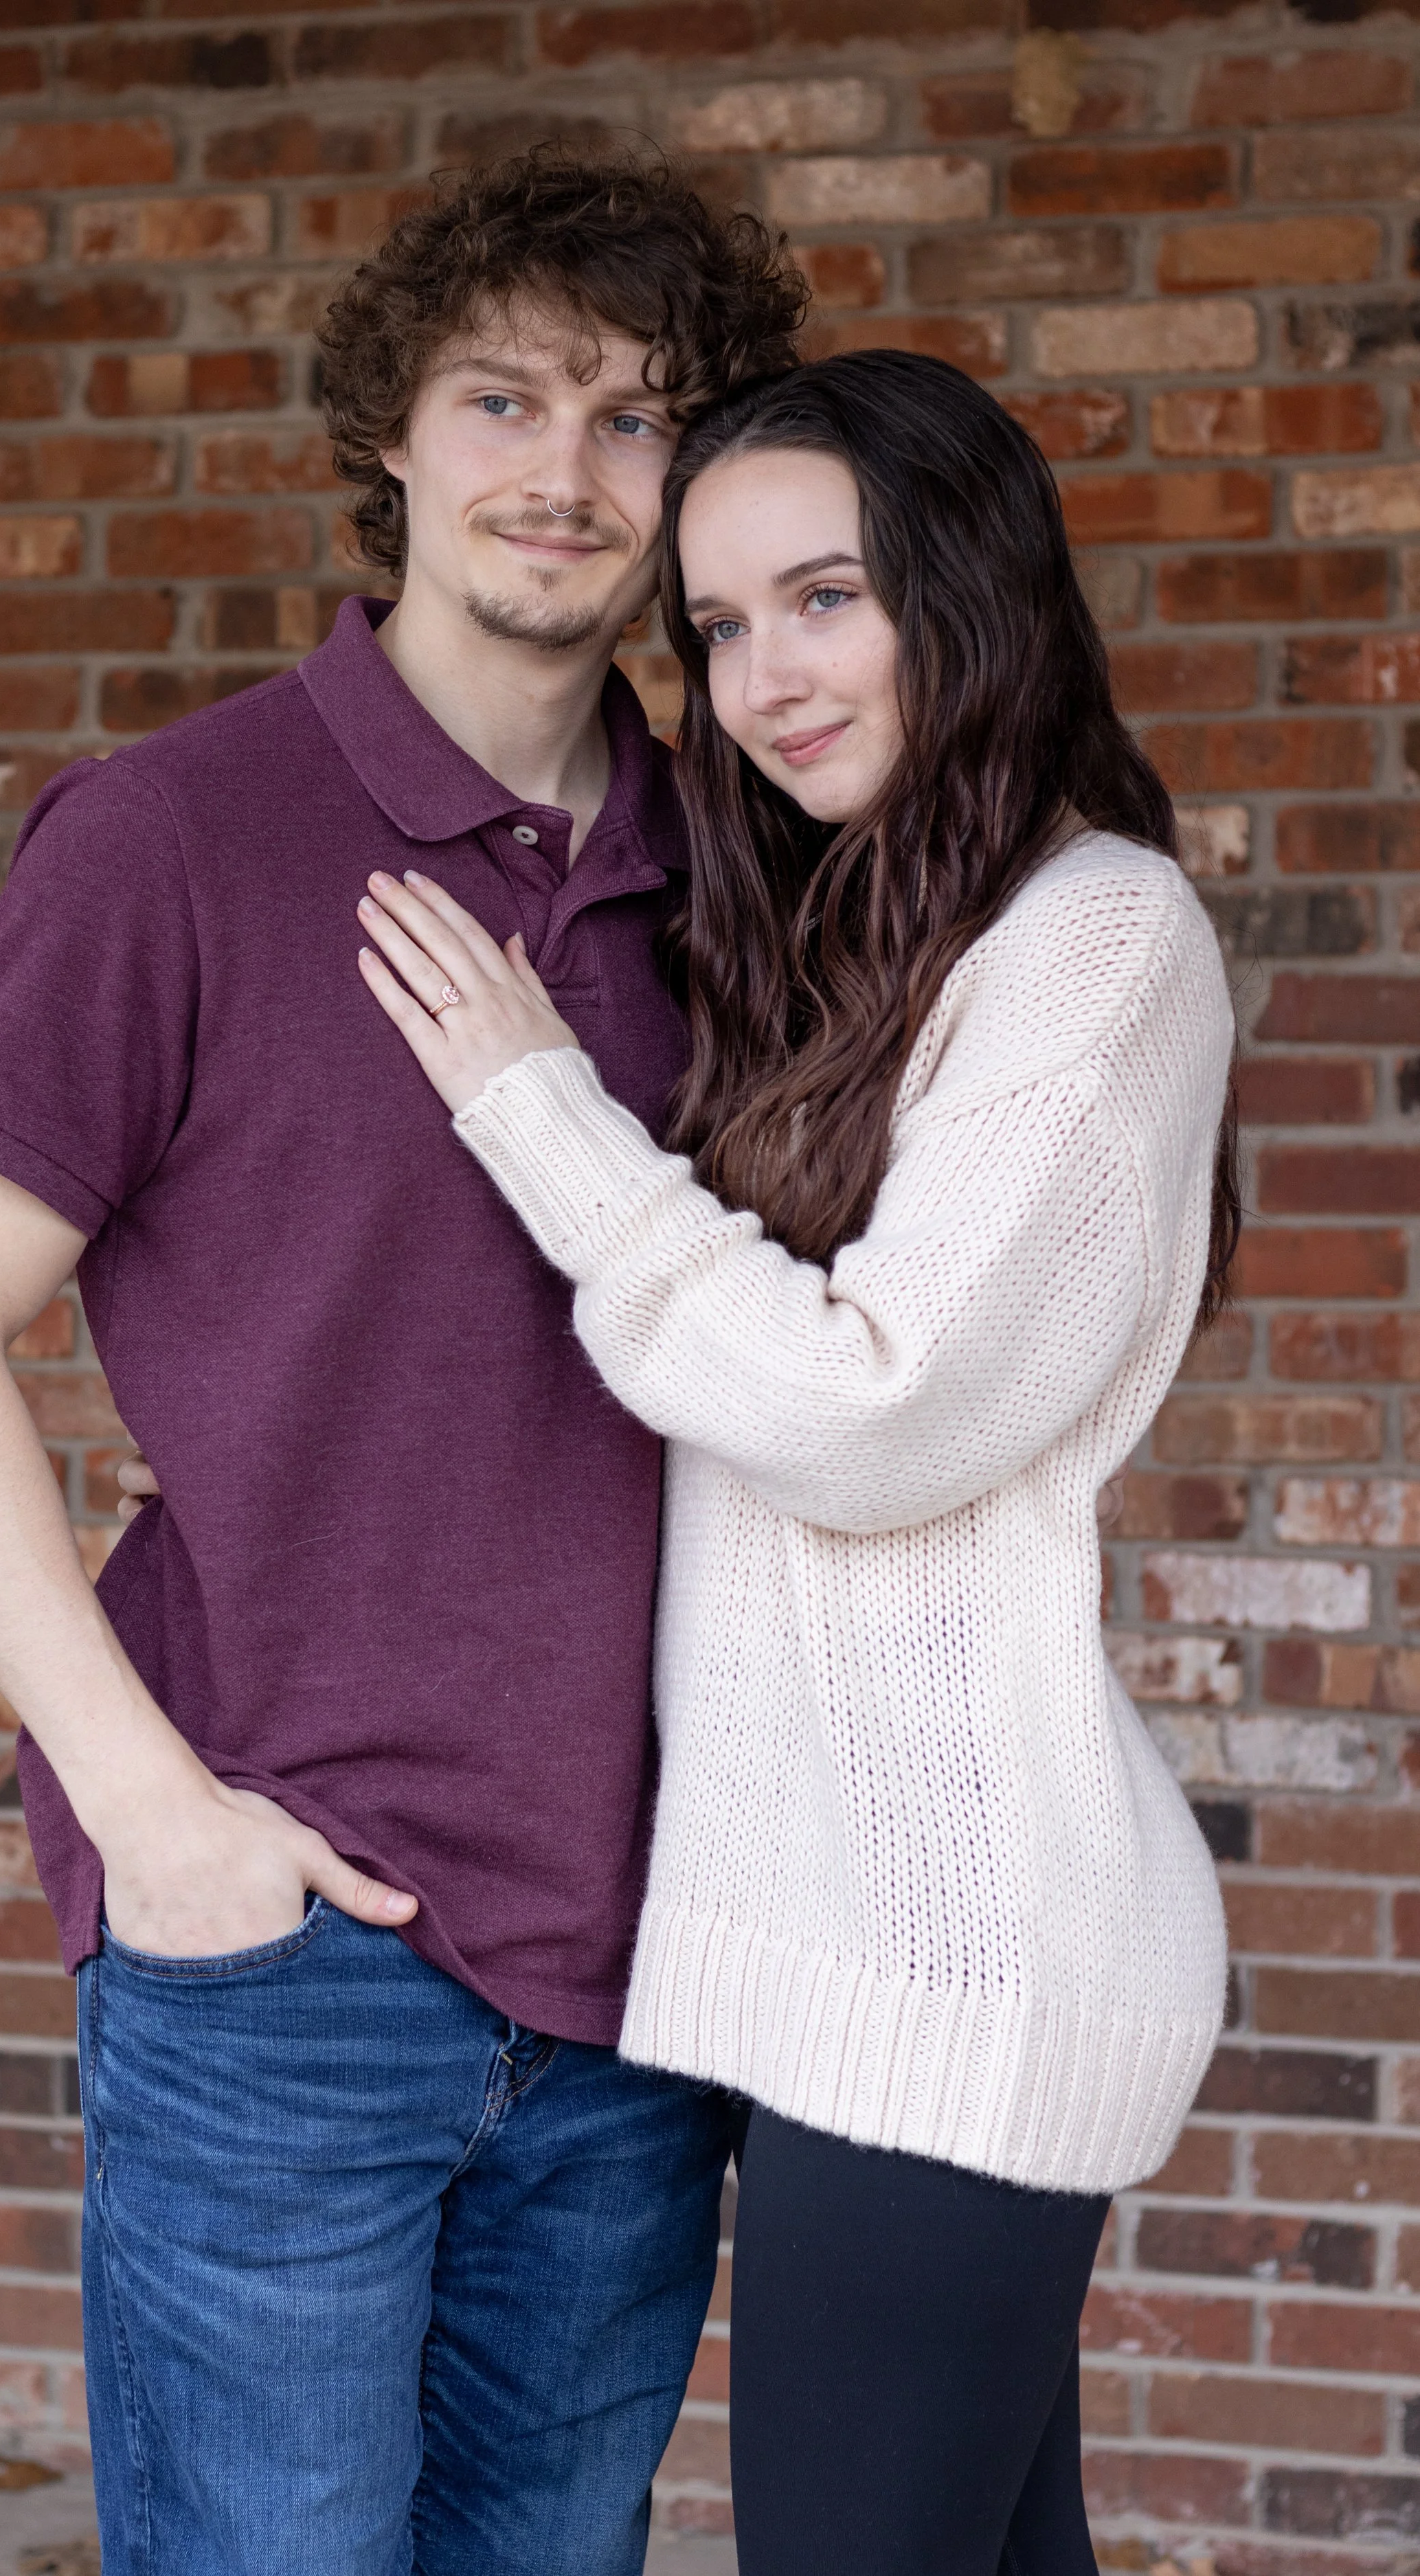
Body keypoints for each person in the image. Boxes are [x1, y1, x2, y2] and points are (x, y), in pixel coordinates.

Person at [0, 152, 806, 2576]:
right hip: (283, 1946)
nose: (560, 475)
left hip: (639, 1960)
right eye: (501, 397)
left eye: (633, 418)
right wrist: (153, 1815)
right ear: (391, 435)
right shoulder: (173, 839)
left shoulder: (749, 879)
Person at [353, 348, 1240, 2576]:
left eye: (822, 597)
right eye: (721, 626)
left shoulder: (1098, 939)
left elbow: (870, 1411)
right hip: (837, 1950)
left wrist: (540, 1115)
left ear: (970, 586)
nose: (759, 678)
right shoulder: (873, 927)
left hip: (960, 1954)